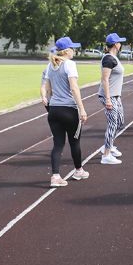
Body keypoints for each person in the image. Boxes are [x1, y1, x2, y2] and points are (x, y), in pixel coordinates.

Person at [41, 37, 89, 187]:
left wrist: (47, 102)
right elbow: (74, 88)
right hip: (69, 109)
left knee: (58, 144)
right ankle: (78, 170)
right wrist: (82, 108)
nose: (74, 51)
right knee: (75, 142)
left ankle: (55, 176)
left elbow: (47, 89)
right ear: (67, 51)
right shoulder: (70, 64)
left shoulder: (50, 66)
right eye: (73, 48)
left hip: (54, 110)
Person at [98, 33, 126, 165]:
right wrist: (108, 99)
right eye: (120, 42)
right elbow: (105, 79)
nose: (121, 44)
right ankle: (106, 155)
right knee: (113, 123)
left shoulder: (114, 57)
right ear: (116, 44)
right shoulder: (108, 59)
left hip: (116, 95)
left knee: (120, 122)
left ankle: (108, 145)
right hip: (108, 96)